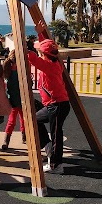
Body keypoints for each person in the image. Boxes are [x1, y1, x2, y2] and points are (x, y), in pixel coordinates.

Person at [27, 38, 71, 174]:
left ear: (44, 54)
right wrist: (40, 32)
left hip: (57, 105)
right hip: (55, 104)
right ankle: (48, 147)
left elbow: (34, 59)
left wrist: (25, 48)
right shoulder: (55, 62)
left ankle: (56, 165)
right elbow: (45, 49)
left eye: (40, 52)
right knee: (35, 120)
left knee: (56, 134)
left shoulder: (49, 66)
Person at [1, 51, 25, 150]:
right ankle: (24, 136)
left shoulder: (8, 71)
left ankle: (6, 140)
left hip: (12, 100)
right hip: (22, 99)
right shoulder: (20, 72)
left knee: (11, 121)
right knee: (24, 119)